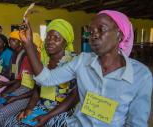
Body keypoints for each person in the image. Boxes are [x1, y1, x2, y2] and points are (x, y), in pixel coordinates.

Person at [19, 10, 152, 127]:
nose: (94, 35)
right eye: (91, 31)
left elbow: (136, 123)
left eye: (102, 29)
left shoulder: (140, 75)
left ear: (120, 35)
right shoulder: (82, 61)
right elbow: (46, 79)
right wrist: (28, 44)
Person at [5, 19, 79, 127]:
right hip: (42, 107)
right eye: (48, 37)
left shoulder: (74, 62)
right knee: (12, 122)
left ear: (65, 41)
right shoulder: (44, 61)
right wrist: (29, 108)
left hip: (62, 110)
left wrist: (48, 115)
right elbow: (37, 88)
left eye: (56, 38)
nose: (50, 41)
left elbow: (74, 97)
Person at [0, 31, 42, 127]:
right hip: (20, 88)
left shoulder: (40, 62)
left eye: (30, 46)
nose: (27, 48)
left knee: (3, 112)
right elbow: (20, 79)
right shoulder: (25, 58)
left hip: (29, 95)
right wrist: (8, 92)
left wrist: (15, 97)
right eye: (26, 45)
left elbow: (36, 90)